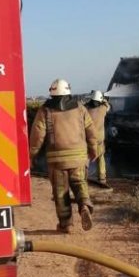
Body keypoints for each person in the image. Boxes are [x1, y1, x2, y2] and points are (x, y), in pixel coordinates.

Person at [29, 78, 98, 233]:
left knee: (61, 193)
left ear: (51, 92)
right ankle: (84, 206)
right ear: (68, 91)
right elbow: (91, 130)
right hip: (78, 158)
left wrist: (31, 155)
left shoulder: (45, 110)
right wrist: (94, 149)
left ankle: (66, 224)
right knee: (80, 183)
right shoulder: (80, 108)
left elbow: (37, 136)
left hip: (57, 161)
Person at [85, 90, 112, 191]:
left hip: (88, 139)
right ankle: (102, 178)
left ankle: (83, 177)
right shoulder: (103, 109)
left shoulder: (86, 110)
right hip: (99, 140)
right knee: (100, 158)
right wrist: (104, 100)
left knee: (86, 158)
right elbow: (108, 106)